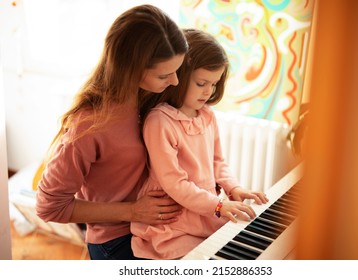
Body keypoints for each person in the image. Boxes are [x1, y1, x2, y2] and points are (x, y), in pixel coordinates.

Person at [35, 4, 188, 260]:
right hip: (117, 241)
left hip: (156, 230)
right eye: (165, 75)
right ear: (131, 69)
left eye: (177, 70)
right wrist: (132, 211)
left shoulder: (148, 99)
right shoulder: (88, 126)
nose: (175, 82)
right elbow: (49, 207)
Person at [131, 29, 269, 260]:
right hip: (173, 220)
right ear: (180, 76)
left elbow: (217, 162)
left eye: (214, 84)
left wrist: (234, 188)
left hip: (204, 209)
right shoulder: (159, 121)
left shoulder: (206, 115)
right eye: (201, 83)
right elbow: (174, 183)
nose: (208, 91)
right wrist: (216, 206)